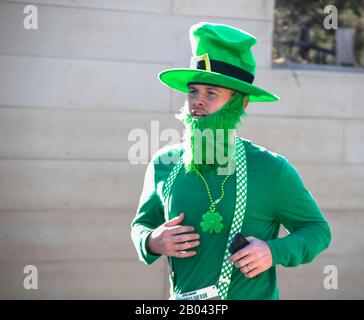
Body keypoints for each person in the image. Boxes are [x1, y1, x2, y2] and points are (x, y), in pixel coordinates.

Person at [131, 22, 331, 300]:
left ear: (241, 103)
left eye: (211, 93)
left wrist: (273, 252)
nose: (197, 102)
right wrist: (152, 241)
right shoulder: (164, 163)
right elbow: (141, 225)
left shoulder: (273, 169)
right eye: (193, 91)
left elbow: (318, 231)